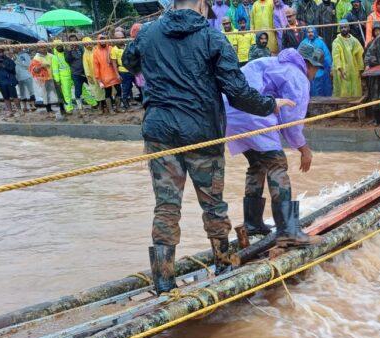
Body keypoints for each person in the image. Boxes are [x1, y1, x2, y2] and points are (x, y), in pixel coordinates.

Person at [122, 0, 293, 294]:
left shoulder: (147, 33)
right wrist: (269, 105)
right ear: (202, 4)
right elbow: (238, 93)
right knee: (213, 205)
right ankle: (224, 267)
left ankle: (163, 280)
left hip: (159, 132)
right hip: (202, 133)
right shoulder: (213, 37)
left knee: (166, 205)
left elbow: (129, 61)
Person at [226, 44, 324, 247]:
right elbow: (292, 120)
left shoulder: (273, 64)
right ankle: (288, 231)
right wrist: (304, 149)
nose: (315, 72)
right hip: (252, 112)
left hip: (231, 113)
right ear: (307, 64)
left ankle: (252, 223)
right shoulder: (298, 76)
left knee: (257, 164)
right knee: (276, 164)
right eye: (316, 68)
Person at [332, 19, 364, 97]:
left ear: (349, 28)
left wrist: (360, 69)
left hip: (354, 70)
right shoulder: (336, 42)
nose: (344, 29)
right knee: (343, 92)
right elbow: (336, 57)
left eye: (345, 27)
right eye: (342, 28)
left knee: (355, 91)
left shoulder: (354, 41)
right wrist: (340, 69)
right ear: (339, 29)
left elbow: (359, 55)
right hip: (342, 71)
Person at [299, 26, 333, 96]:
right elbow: (298, 57)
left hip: (321, 70)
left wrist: (329, 67)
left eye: (312, 32)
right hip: (308, 71)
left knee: (323, 89)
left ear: (315, 32)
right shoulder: (303, 43)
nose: (310, 34)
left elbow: (327, 55)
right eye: (308, 32)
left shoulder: (320, 43)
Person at [93, 34, 122, 114]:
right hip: (104, 76)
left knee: (119, 90)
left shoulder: (110, 48)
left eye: (104, 39)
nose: (102, 41)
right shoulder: (96, 52)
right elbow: (96, 67)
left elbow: (115, 60)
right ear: (98, 41)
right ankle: (110, 109)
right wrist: (98, 79)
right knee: (108, 93)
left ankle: (118, 107)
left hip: (114, 74)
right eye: (101, 39)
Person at [29, 41, 57, 117]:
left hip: (53, 77)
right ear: (38, 48)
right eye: (41, 47)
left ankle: (53, 109)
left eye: (44, 47)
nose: (43, 49)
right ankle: (48, 111)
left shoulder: (51, 56)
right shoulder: (36, 58)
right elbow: (34, 70)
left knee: (52, 94)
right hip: (43, 79)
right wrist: (42, 66)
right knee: (45, 95)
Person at [0, 48, 20, 114]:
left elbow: (13, 70)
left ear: (3, 52)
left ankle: (19, 110)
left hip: (10, 81)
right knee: (5, 97)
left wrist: (3, 66)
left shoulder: (9, 60)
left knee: (14, 96)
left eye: (0, 52)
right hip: (1, 82)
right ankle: (10, 111)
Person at [111, 31, 134, 110]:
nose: (120, 40)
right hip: (123, 71)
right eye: (118, 38)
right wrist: (117, 75)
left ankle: (132, 100)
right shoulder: (114, 49)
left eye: (122, 38)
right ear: (115, 39)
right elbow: (114, 63)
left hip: (132, 69)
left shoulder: (128, 45)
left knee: (135, 85)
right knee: (125, 87)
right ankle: (125, 102)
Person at [82, 36, 106, 111]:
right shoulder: (85, 55)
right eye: (87, 45)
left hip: (102, 73)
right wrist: (89, 76)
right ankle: (100, 105)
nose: (89, 46)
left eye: (90, 44)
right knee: (96, 90)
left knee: (104, 89)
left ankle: (106, 104)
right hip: (93, 76)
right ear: (84, 46)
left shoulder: (97, 50)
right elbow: (86, 67)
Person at [50, 40, 74, 114]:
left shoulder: (66, 53)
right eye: (57, 46)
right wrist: (57, 80)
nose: (59, 47)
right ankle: (69, 108)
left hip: (72, 75)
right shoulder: (55, 57)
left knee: (83, 90)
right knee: (67, 94)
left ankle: (93, 103)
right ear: (55, 47)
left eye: (60, 45)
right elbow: (55, 70)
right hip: (63, 78)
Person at [14, 47, 35, 112]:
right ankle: (25, 107)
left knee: (31, 91)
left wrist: (18, 61)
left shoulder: (25, 55)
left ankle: (33, 105)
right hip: (18, 77)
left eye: (14, 48)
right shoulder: (14, 56)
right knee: (22, 92)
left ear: (19, 48)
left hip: (27, 75)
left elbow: (28, 64)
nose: (13, 49)